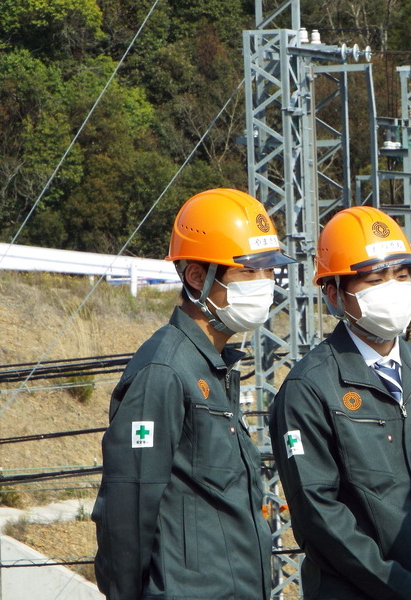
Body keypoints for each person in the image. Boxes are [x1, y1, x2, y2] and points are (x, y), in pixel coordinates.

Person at [270, 206, 411, 600]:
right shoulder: (310, 388)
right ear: (335, 294)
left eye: (402, 275)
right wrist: (408, 589)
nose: (393, 288)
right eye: (375, 279)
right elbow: (319, 516)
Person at [92, 188, 294, 599]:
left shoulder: (211, 366)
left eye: (269, 272)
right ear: (196, 276)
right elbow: (126, 510)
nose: (264, 286)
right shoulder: (164, 371)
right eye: (248, 272)